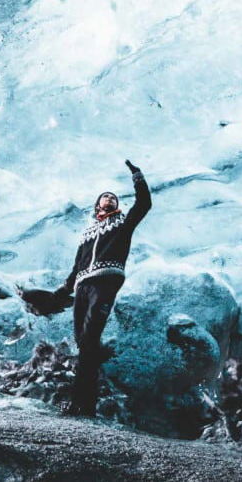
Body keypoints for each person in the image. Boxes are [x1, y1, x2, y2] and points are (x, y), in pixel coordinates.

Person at [52, 159, 151, 416]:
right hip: (83, 285)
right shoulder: (88, 233)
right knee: (83, 342)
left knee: (90, 339)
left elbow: (144, 204)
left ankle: (82, 403)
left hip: (105, 282)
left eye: (113, 197)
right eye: (105, 197)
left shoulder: (122, 224)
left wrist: (137, 176)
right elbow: (77, 265)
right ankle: (86, 402)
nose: (109, 199)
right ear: (98, 205)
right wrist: (64, 289)